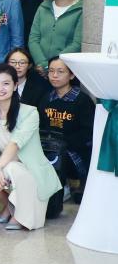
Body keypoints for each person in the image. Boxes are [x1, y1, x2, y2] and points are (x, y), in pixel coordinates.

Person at [0, 64, 61, 230]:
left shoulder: (30, 112)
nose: (0, 88)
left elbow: (15, 143)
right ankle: (9, 208)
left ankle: (19, 214)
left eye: (6, 83)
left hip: (30, 171)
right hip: (4, 166)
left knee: (10, 168)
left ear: (15, 86)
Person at [39, 57, 96, 201]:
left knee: (59, 157)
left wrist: (62, 144)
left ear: (71, 75)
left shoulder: (82, 100)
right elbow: (41, 127)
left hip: (74, 151)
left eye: (60, 71)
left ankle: (63, 187)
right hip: (49, 148)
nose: (54, 75)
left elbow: (88, 133)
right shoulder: (46, 99)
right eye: (51, 71)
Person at [28, 0, 82, 72]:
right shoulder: (43, 7)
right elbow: (33, 38)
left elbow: (77, 43)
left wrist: (54, 65)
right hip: (41, 68)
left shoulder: (80, 9)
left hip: (66, 68)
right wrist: (42, 63)